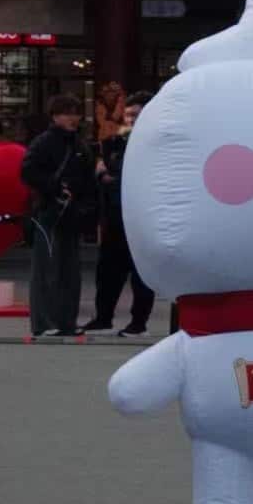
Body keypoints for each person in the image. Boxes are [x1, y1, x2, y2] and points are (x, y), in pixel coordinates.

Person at [21, 94, 96, 337]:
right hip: (48, 213)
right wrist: (54, 187)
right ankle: (44, 324)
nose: (73, 118)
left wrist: (87, 208)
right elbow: (27, 171)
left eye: (75, 112)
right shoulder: (44, 142)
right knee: (47, 270)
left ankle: (66, 322)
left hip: (72, 214)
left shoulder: (80, 144)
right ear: (55, 116)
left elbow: (88, 180)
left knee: (70, 273)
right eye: (67, 113)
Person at [82, 91, 155, 336]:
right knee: (108, 271)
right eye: (128, 115)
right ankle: (103, 318)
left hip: (143, 217)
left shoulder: (157, 142)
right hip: (114, 217)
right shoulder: (118, 141)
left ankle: (138, 322)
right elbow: (104, 170)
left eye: (136, 113)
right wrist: (104, 174)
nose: (131, 119)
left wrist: (108, 175)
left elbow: (128, 176)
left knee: (140, 274)